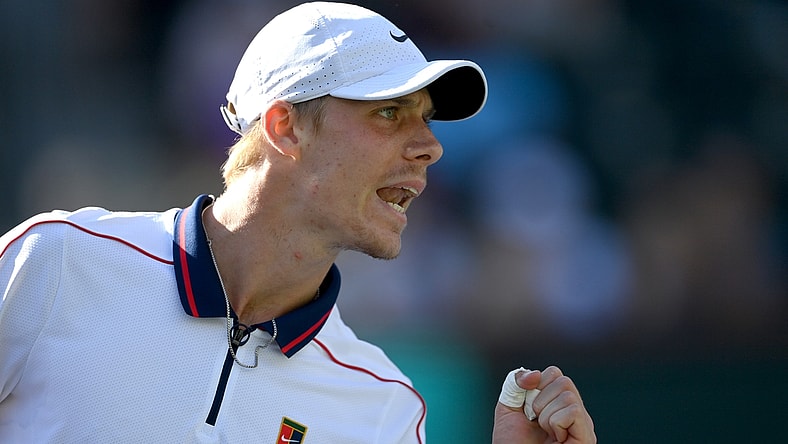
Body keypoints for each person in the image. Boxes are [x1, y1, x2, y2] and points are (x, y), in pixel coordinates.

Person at [0, 2, 595, 443]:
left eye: (428, 121)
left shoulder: (385, 410)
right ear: (284, 127)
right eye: (390, 113)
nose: (430, 148)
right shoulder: (53, 263)